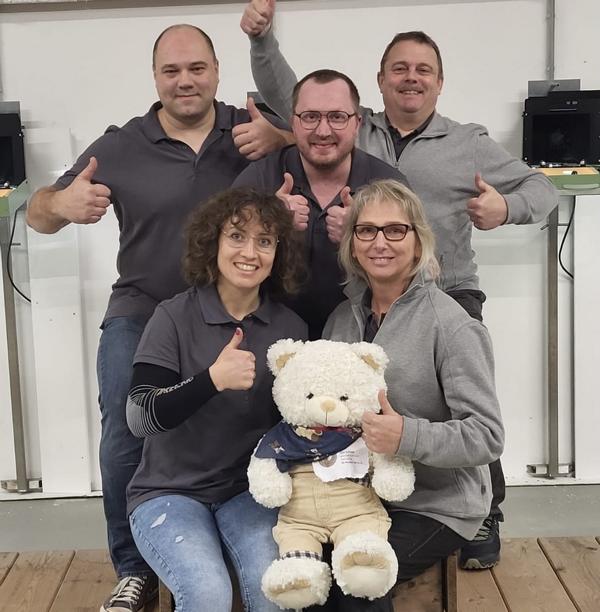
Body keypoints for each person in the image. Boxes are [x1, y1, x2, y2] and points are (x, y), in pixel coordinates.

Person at [240, 1, 558, 568]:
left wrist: (505, 207)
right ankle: (337, 498)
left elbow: (544, 190)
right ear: (380, 80)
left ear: (440, 81)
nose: (411, 78)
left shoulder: (469, 142)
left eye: (423, 69)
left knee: (452, 396)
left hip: (446, 288)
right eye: (399, 68)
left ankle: (480, 511)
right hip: (364, 294)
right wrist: (264, 44)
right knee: (344, 400)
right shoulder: (357, 130)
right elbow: (295, 95)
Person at [26, 24, 293, 612]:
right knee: (127, 431)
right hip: (144, 312)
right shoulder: (120, 145)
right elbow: (38, 214)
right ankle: (133, 569)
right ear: (155, 78)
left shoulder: (250, 131)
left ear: (217, 71)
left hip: (236, 312)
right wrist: (62, 203)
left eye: (197, 68)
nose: (185, 81)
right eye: (171, 71)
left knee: (274, 416)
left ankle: (245, 536)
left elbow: (329, 138)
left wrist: (284, 136)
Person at [322, 179, 504, 611]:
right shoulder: (341, 319)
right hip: (358, 497)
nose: (379, 242)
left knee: (358, 581)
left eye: (395, 230)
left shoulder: (452, 325)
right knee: (308, 576)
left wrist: (405, 436)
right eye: (366, 230)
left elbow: (486, 436)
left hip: (435, 504)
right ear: (352, 244)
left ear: (418, 242)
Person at [125, 186, 308, 611]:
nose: (250, 252)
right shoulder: (172, 316)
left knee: (274, 591)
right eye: (237, 236)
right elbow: (139, 416)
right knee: (208, 593)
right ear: (213, 243)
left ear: (278, 253)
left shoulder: (291, 327)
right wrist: (211, 379)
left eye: (265, 241)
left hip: (249, 494)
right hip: (168, 493)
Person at [233, 69, 407, 339]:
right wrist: (267, 225)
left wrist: (362, 235)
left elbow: (415, 275)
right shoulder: (258, 179)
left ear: (357, 123)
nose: (323, 131)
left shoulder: (390, 185)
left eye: (337, 117)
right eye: (310, 117)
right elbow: (223, 265)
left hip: (365, 337)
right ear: (293, 122)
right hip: (270, 337)